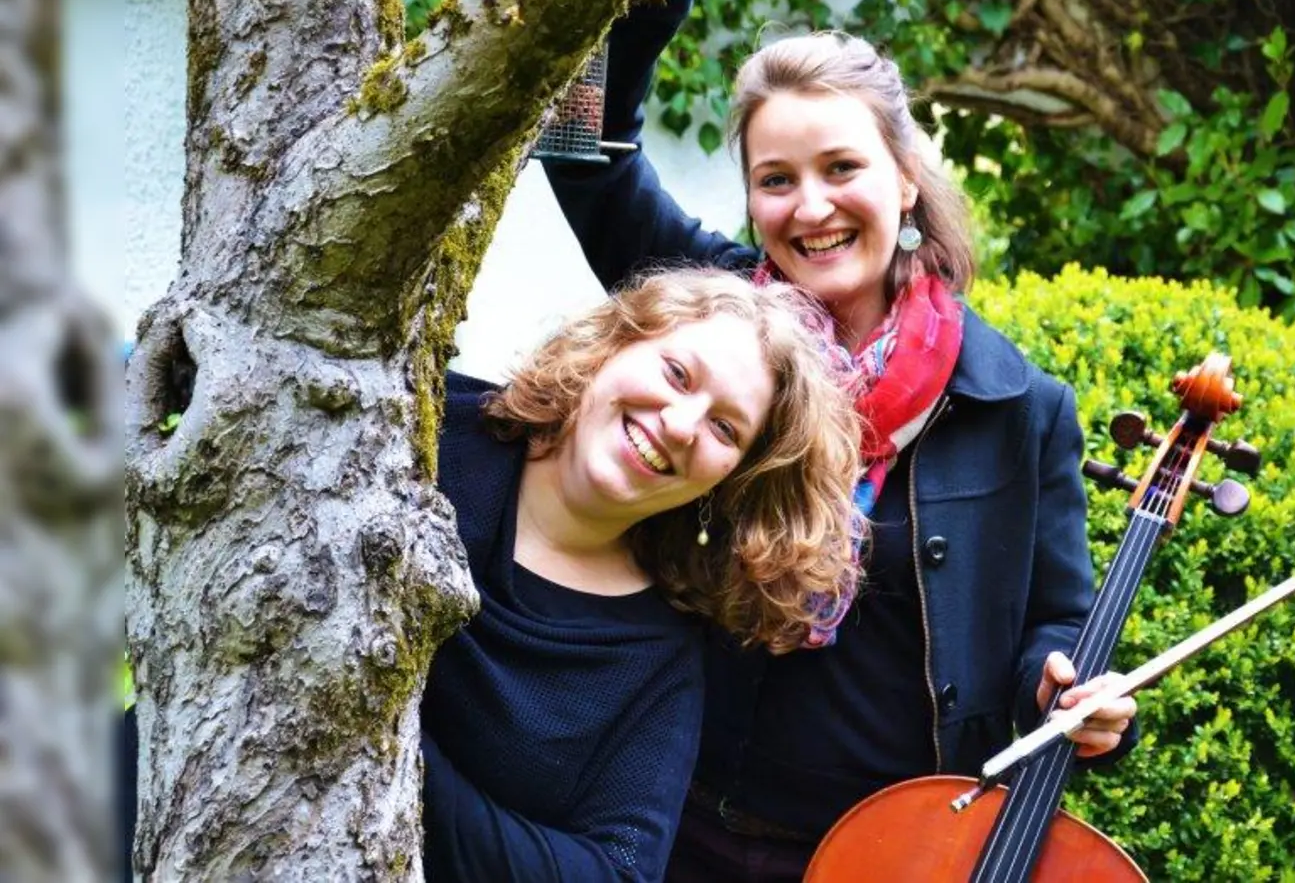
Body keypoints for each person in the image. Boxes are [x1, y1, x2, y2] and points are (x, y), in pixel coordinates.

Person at [544, 0, 1141, 879]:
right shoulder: (713, 324)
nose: (811, 207)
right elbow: (574, 150)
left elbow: (1048, 623)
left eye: (841, 169)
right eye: (776, 180)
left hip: (889, 856)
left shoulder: (1016, 405)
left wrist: (1067, 690)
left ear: (905, 178)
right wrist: (639, 9)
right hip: (666, 830)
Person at [123, 269, 865, 883]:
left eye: (724, 428)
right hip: (136, 818)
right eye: (676, 373)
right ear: (616, 344)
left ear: (728, 481)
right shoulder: (418, 428)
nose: (679, 422)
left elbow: (615, 871)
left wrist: (394, 757)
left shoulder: (659, 659)